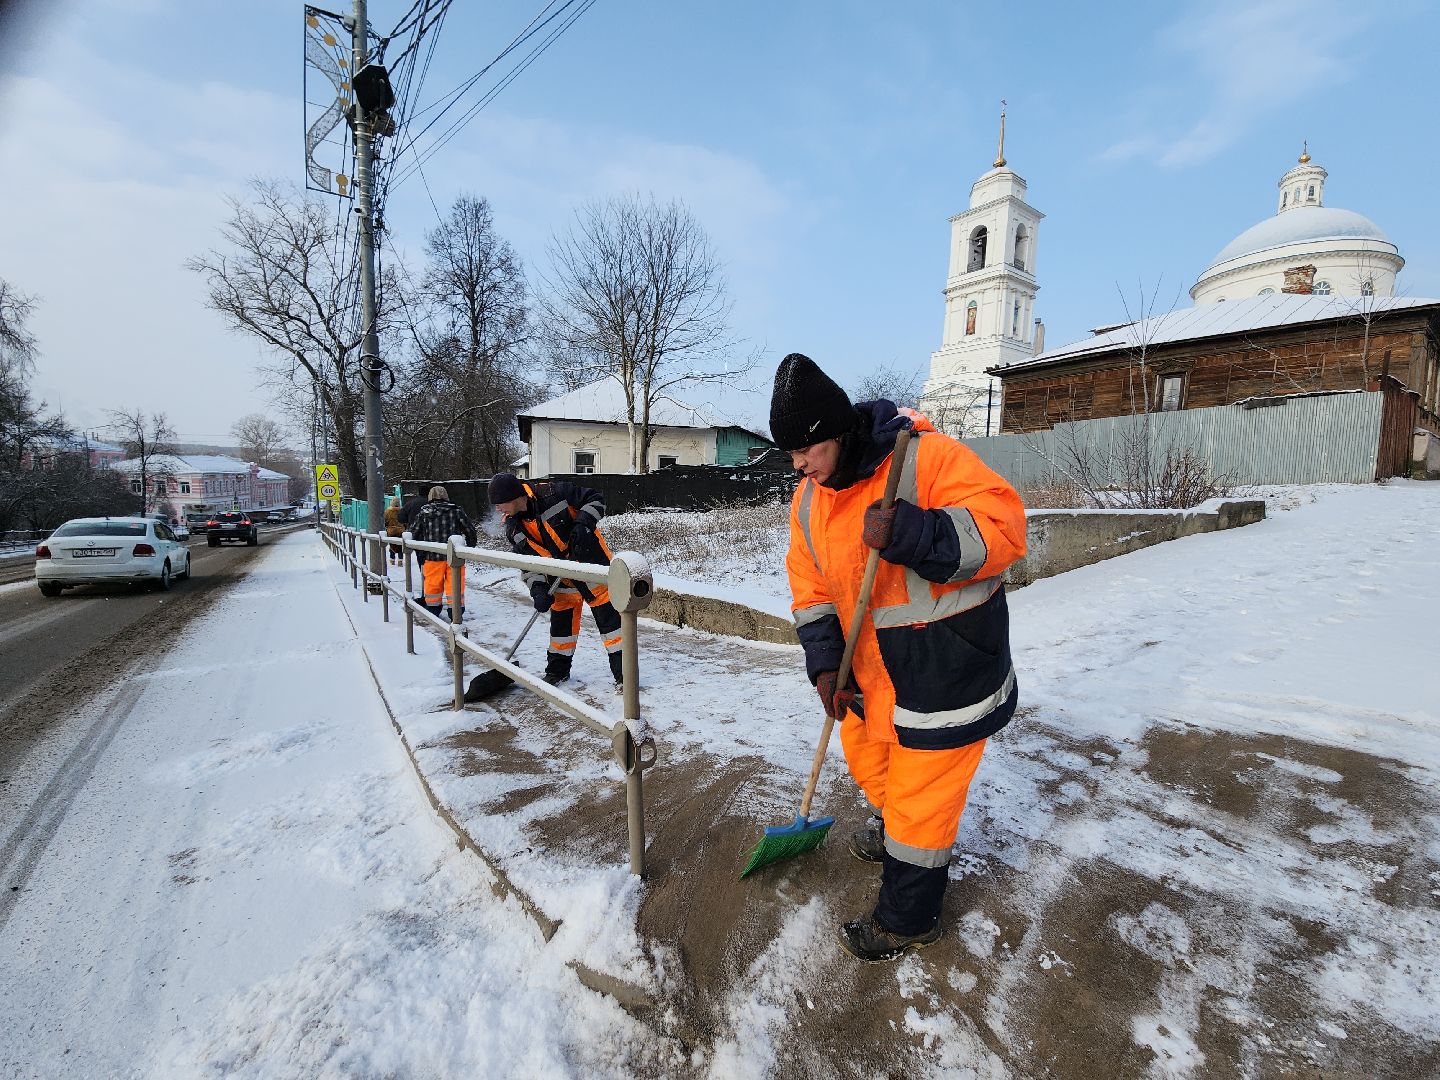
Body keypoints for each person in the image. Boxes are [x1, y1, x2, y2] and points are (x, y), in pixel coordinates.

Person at [771, 352, 1027, 963]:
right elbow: (810, 593)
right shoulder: (808, 502)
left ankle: (908, 918)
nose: (800, 466)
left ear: (836, 432)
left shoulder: (924, 459)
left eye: (807, 451)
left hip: (944, 668)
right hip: (870, 674)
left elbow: (1006, 527)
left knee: (921, 802)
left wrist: (919, 534)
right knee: (871, 765)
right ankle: (895, 832)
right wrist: (826, 665)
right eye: (792, 457)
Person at [486, 471, 624, 688]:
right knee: (561, 630)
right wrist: (538, 589)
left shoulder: (555, 493)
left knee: (612, 626)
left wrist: (583, 524)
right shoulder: (514, 529)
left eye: (500, 503)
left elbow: (596, 498)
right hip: (561, 581)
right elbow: (529, 565)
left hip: (591, 568)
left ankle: (625, 676)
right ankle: (556, 673)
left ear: (513, 497)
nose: (498, 509)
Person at [408, 485, 477, 620]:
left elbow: (413, 532)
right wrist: (470, 546)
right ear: (446, 496)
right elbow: (469, 529)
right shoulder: (456, 510)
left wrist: (420, 549)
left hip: (432, 556)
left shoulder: (424, 513)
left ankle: (433, 609)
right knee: (455, 584)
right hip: (454, 557)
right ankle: (455, 611)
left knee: (432, 585)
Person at [383, 496, 404, 565]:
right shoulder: (402, 511)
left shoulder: (387, 511)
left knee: (392, 545)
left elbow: (385, 521)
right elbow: (405, 521)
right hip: (401, 530)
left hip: (391, 531)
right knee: (400, 545)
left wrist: (387, 527)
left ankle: (392, 559)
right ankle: (400, 560)